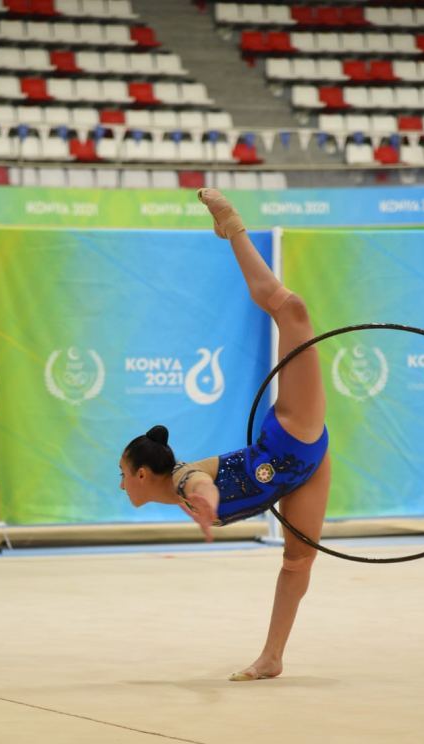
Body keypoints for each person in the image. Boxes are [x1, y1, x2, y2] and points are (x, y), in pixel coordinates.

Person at [119, 189, 331, 681]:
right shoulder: (177, 488)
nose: (122, 483)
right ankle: (272, 657)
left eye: (122, 474)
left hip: (294, 436)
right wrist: (205, 502)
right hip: (302, 474)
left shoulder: (182, 481)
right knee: (298, 563)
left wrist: (206, 499)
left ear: (145, 473)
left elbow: (196, 482)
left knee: (292, 310)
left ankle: (232, 226)